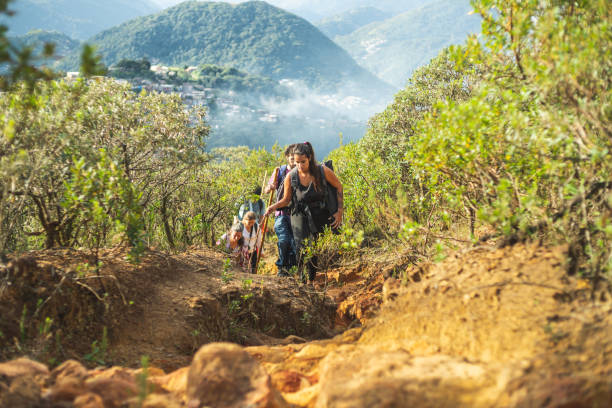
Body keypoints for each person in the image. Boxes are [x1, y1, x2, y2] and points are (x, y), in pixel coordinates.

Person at [263, 142, 343, 283]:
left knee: (313, 248)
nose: (299, 165)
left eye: (303, 162)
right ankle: (302, 279)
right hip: (298, 214)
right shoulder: (291, 176)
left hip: (318, 214)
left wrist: (339, 211)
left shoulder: (322, 171)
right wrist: (273, 207)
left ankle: (310, 281)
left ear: (310, 158)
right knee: (300, 247)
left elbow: (338, 186)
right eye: (297, 162)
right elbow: (286, 199)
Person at [264, 144, 297, 277]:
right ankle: (282, 270)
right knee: (284, 240)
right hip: (282, 213)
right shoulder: (280, 171)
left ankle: (291, 270)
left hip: (297, 214)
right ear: (287, 157)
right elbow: (267, 189)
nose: (294, 161)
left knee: (295, 245)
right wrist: (270, 186)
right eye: (291, 158)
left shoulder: (302, 172)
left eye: (296, 158)